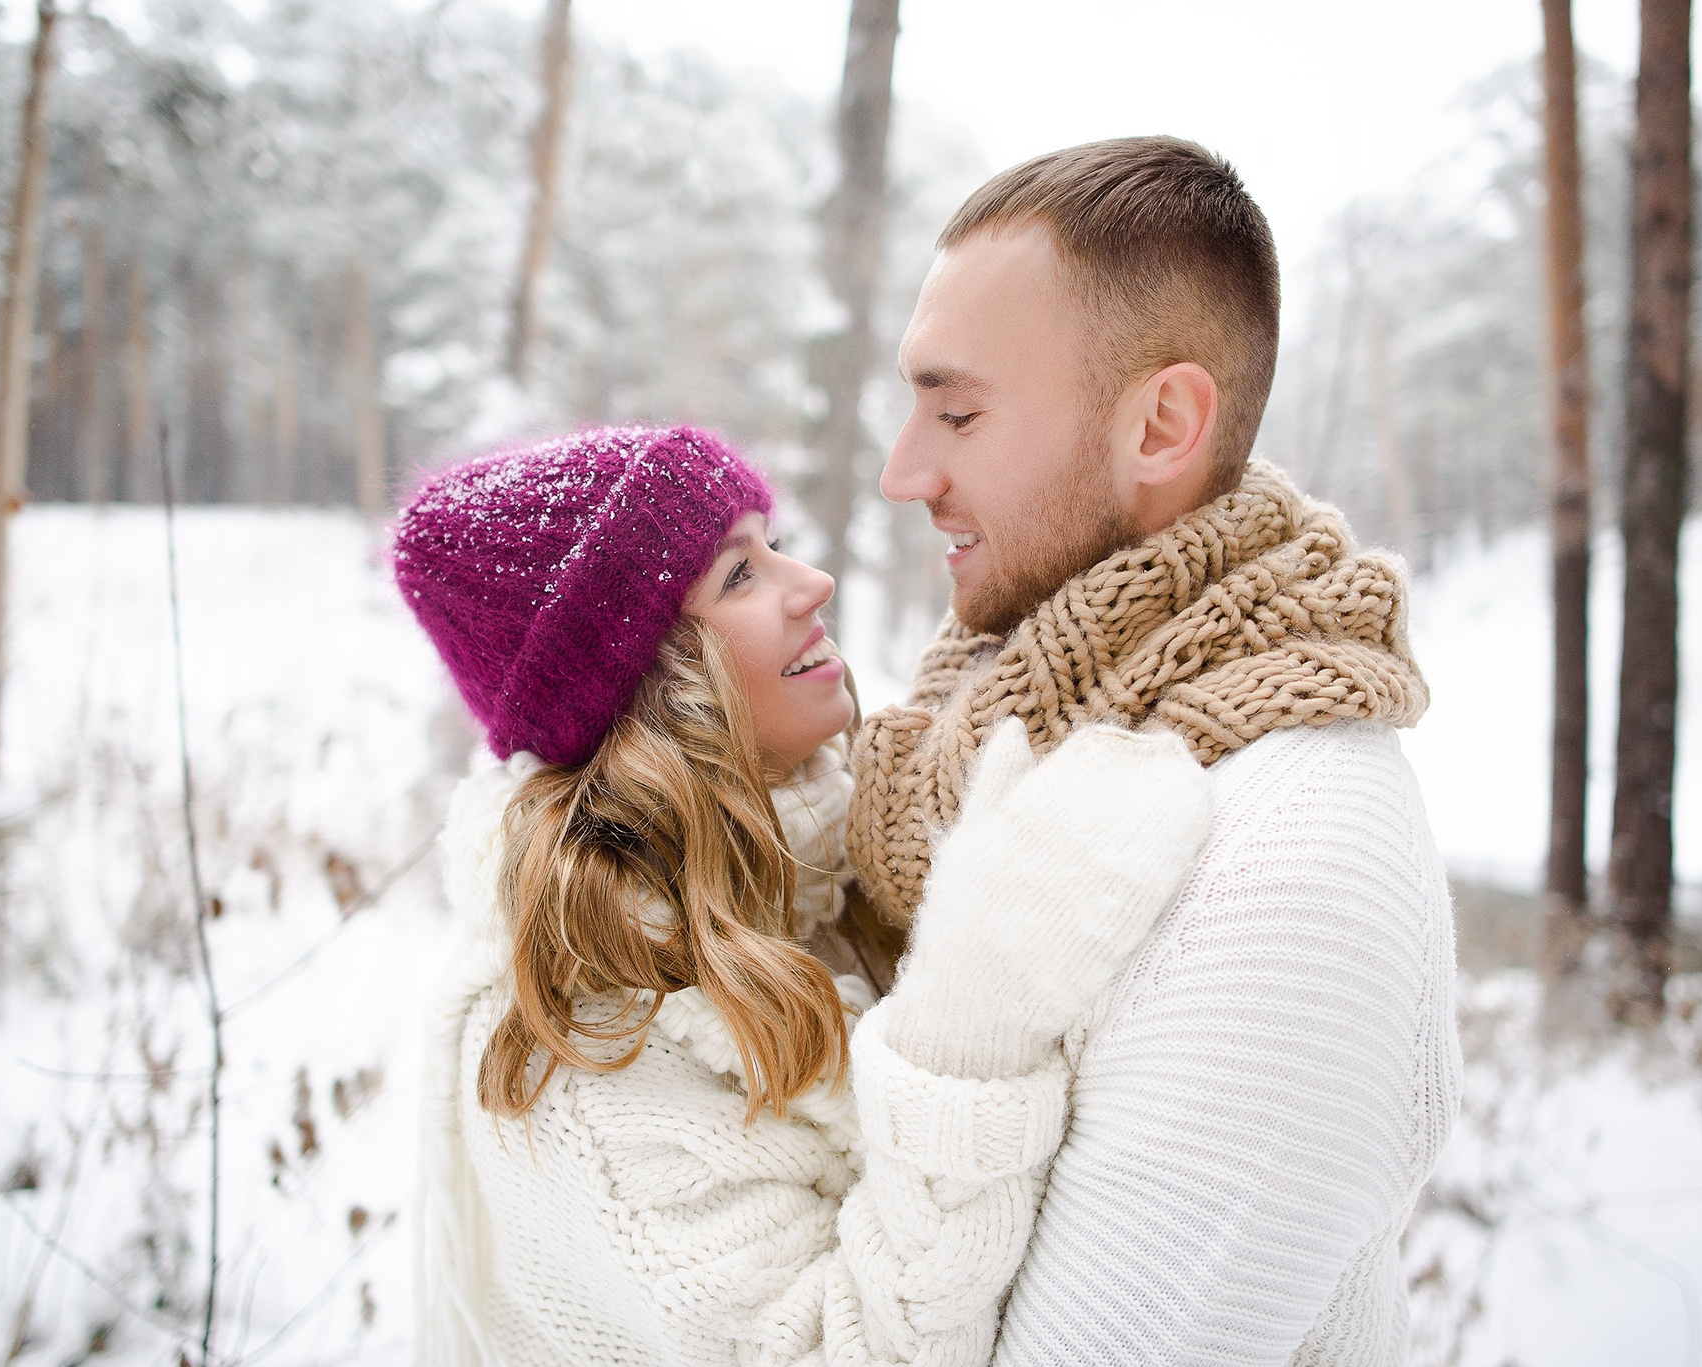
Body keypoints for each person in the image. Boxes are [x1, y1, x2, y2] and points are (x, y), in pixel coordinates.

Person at [397, 424, 1212, 1366]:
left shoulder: (836, 866)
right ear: (650, 688)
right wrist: (974, 1014)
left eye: (773, 544)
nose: (811, 583)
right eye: (739, 575)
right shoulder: (577, 1053)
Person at [847, 137, 1463, 1364]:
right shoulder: (1000, 715)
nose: (900, 469)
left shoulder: (1289, 860)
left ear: (1163, 423)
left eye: (956, 409)